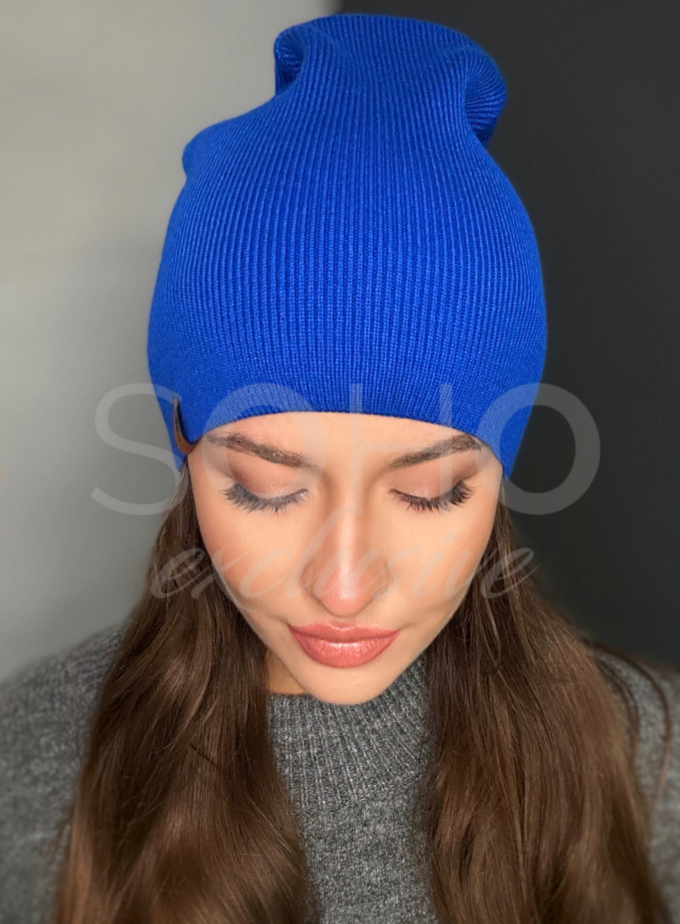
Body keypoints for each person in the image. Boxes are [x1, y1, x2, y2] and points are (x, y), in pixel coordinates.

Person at [1, 12, 679, 924]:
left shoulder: (651, 759)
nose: (345, 586)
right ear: (184, 447)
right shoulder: (31, 764)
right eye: (265, 489)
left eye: (431, 492)